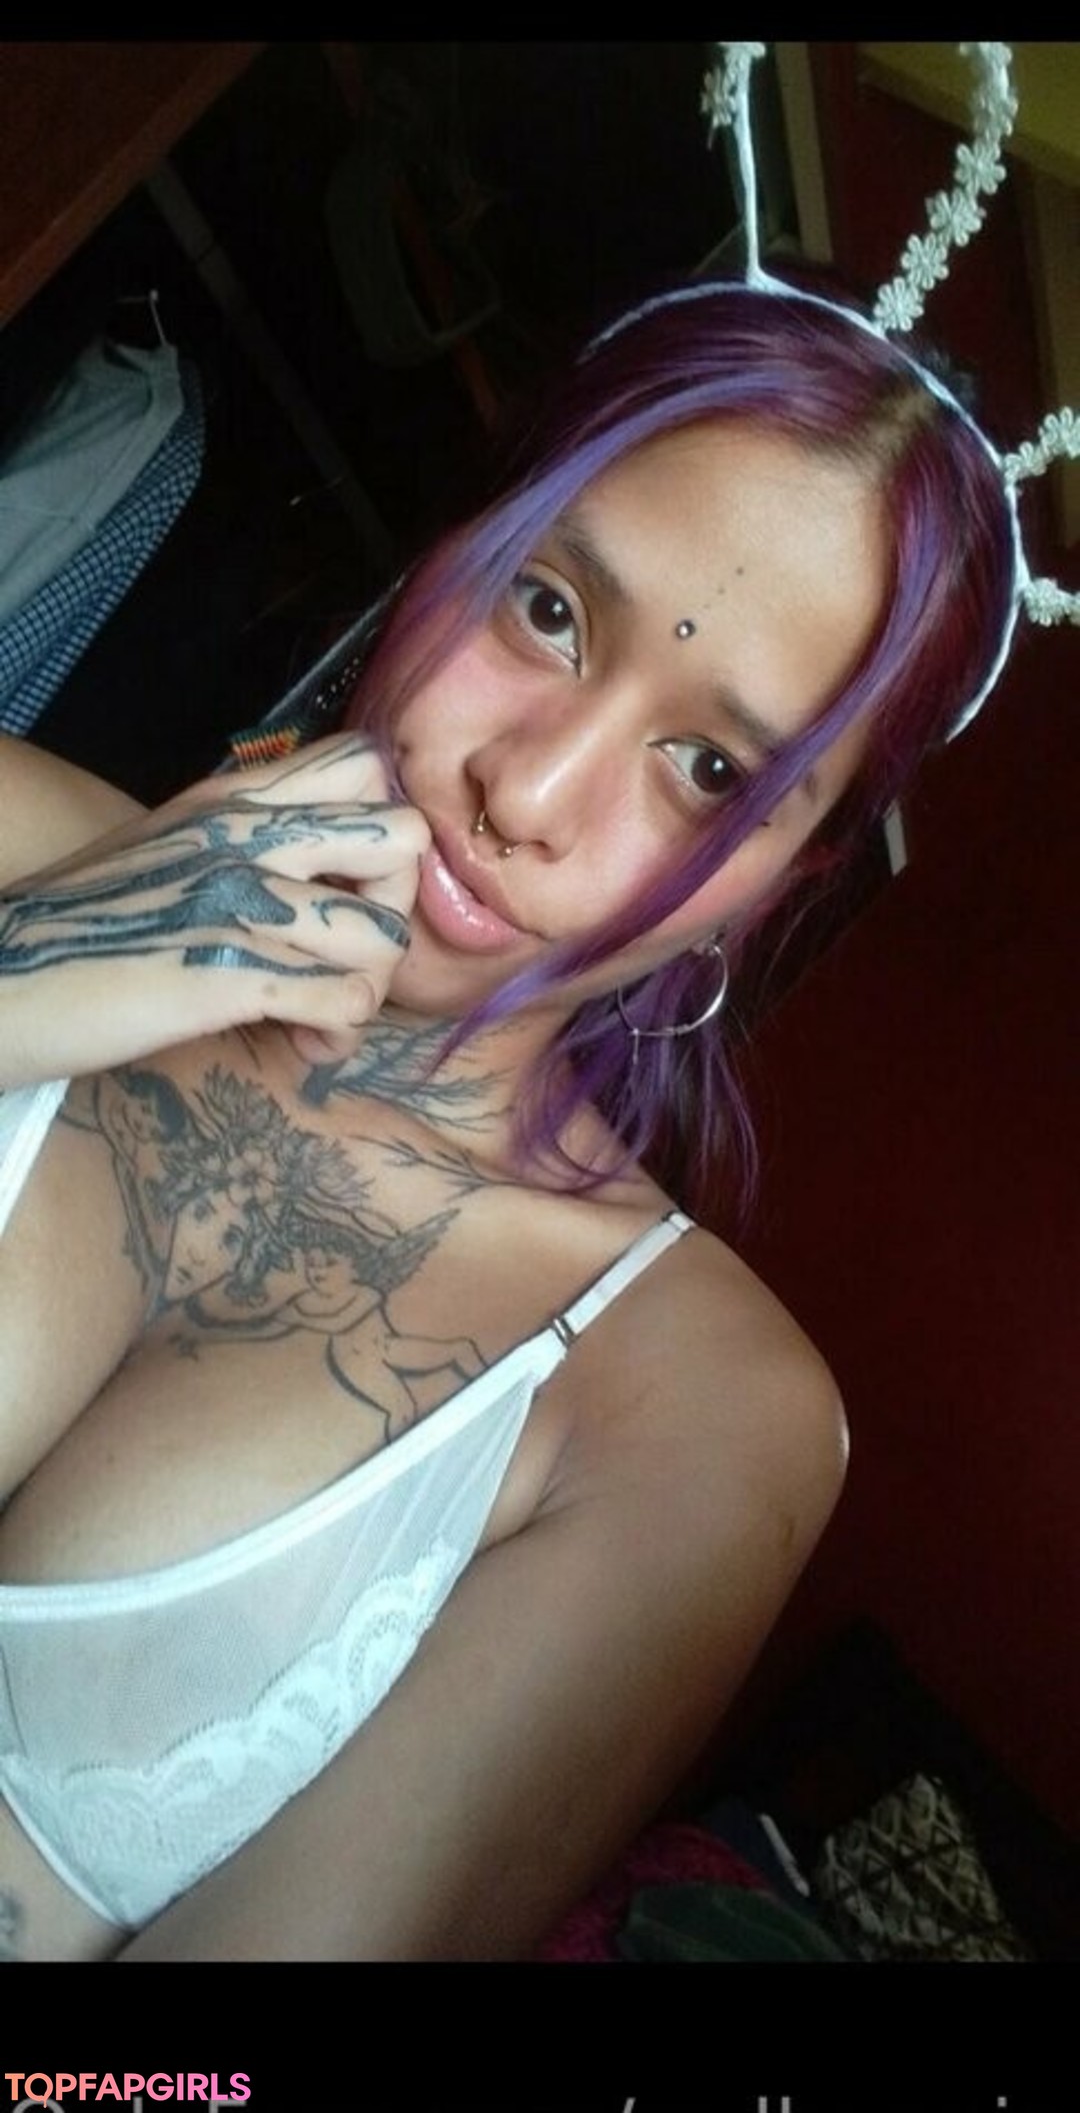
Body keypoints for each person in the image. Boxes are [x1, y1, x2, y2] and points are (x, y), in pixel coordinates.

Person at [0, 280, 1016, 1962]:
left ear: (783, 883)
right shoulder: (22, 833)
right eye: (547, 609)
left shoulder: (690, 1411)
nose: (525, 793)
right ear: (455, 542)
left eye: (712, 773)